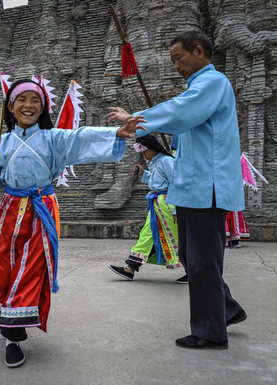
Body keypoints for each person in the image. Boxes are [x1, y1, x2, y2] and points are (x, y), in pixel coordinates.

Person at [0, 79, 143, 368]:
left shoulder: (54, 138)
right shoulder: (0, 143)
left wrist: (116, 132)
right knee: (5, 268)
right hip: (10, 211)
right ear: (11, 108)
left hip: (41, 209)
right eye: (22, 100)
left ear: (42, 107)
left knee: (30, 268)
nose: (29, 105)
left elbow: (81, 137)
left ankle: (12, 336)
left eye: (35, 100)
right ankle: (7, 310)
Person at [107, 31, 247, 350]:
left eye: (178, 58)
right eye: (173, 60)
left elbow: (182, 111)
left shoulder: (212, 83)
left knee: (203, 262)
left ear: (199, 52)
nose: (176, 65)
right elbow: (183, 121)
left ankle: (210, 331)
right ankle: (226, 309)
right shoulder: (198, 89)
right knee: (190, 257)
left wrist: (137, 119)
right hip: (189, 191)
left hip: (206, 190)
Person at [108, 134, 186, 281]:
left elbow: (176, 183)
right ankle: (130, 268)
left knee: (175, 237)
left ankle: (193, 271)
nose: (143, 154)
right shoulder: (156, 162)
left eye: (144, 151)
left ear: (152, 148)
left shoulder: (167, 161)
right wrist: (144, 173)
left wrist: (177, 208)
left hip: (168, 205)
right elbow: (156, 180)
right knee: (148, 235)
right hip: (157, 205)